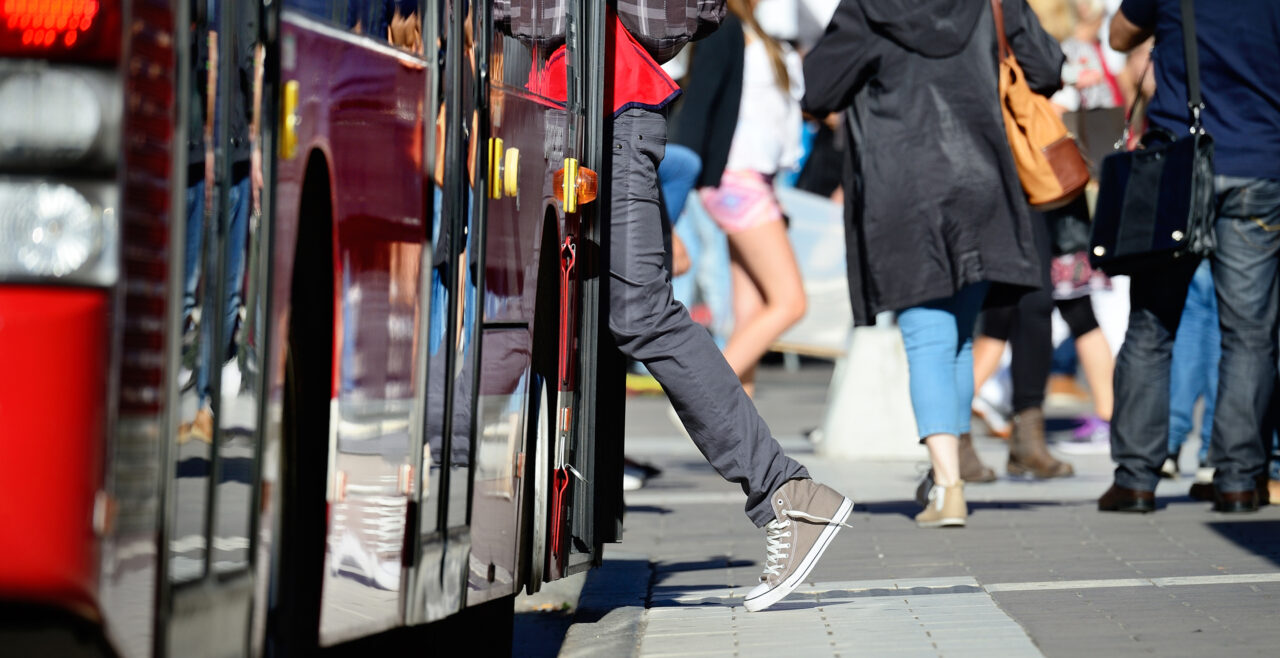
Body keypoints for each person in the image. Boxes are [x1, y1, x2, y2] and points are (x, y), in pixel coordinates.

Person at [504, 2, 852, 612]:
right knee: (545, 311)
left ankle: (786, 493)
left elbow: (538, 15)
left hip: (603, 111)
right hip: (592, 108)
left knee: (632, 314)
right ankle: (785, 493)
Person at [803, 0, 1063, 528]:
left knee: (929, 337)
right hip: (983, 178)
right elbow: (1048, 67)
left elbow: (819, 91)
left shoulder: (867, 8)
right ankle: (946, 468)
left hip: (904, 184)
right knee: (959, 336)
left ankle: (948, 484)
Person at [1100, 0, 1280, 514]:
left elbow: (1118, 36)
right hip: (1260, 165)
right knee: (1250, 333)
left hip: (1177, 167)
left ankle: (1136, 479)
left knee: (1152, 326)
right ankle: (1240, 481)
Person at [687, 0, 808, 397]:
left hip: (759, 179)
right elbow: (698, 104)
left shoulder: (763, 33)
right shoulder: (722, 30)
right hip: (737, 179)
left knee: (752, 314)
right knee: (790, 302)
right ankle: (704, 394)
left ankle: (739, 436)